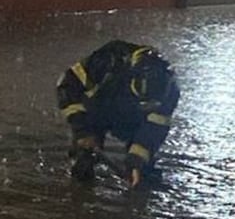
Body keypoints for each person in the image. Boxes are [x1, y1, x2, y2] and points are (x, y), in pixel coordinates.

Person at [56, 41, 179, 188]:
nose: (146, 105)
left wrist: (137, 158)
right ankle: (79, 194)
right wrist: (82, 131)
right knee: (83, 162)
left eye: (150, 104)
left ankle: (140, 189)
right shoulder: (108, 60)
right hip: (96, 112)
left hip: (132, 122)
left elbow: (154, 129)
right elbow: (68, 86)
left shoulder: (170, 91)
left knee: (143, 173)